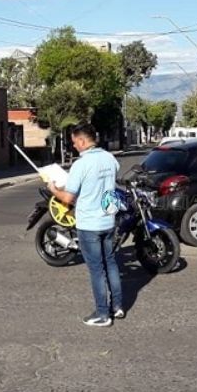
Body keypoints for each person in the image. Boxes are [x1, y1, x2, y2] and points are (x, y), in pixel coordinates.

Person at [47, 123, 123, 327]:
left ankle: (102, 314)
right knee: (111, 262)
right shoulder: (110, 159)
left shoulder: (81, 165)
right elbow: (107, 184)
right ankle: (117, 306)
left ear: (82, 140)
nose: (73, 146)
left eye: (74, 142)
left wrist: (53, 188)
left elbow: (69, 197)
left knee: (96, 269)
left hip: (89, 223)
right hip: (108, 220)